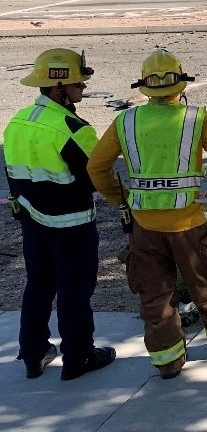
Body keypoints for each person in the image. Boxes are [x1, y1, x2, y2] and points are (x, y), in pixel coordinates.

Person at [87, 49, 207, 379]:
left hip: (144, 227)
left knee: (155, 296)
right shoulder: (196, 118)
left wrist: (120, 199)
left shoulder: (125, 121)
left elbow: (97, 167)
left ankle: (168, 361)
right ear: (180, 84)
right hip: (188, 223)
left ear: (144, 88)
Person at [3, 48, 116, 380]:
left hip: (32, 221)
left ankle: (34, 352)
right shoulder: (71, 127)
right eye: (78, 84)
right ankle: (78, 356)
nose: (83, 89)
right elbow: (98, 174)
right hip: (72, 226)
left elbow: (13, 175)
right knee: (74, 290)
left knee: (38, 285)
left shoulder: (17, 122)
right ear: (57, 88)